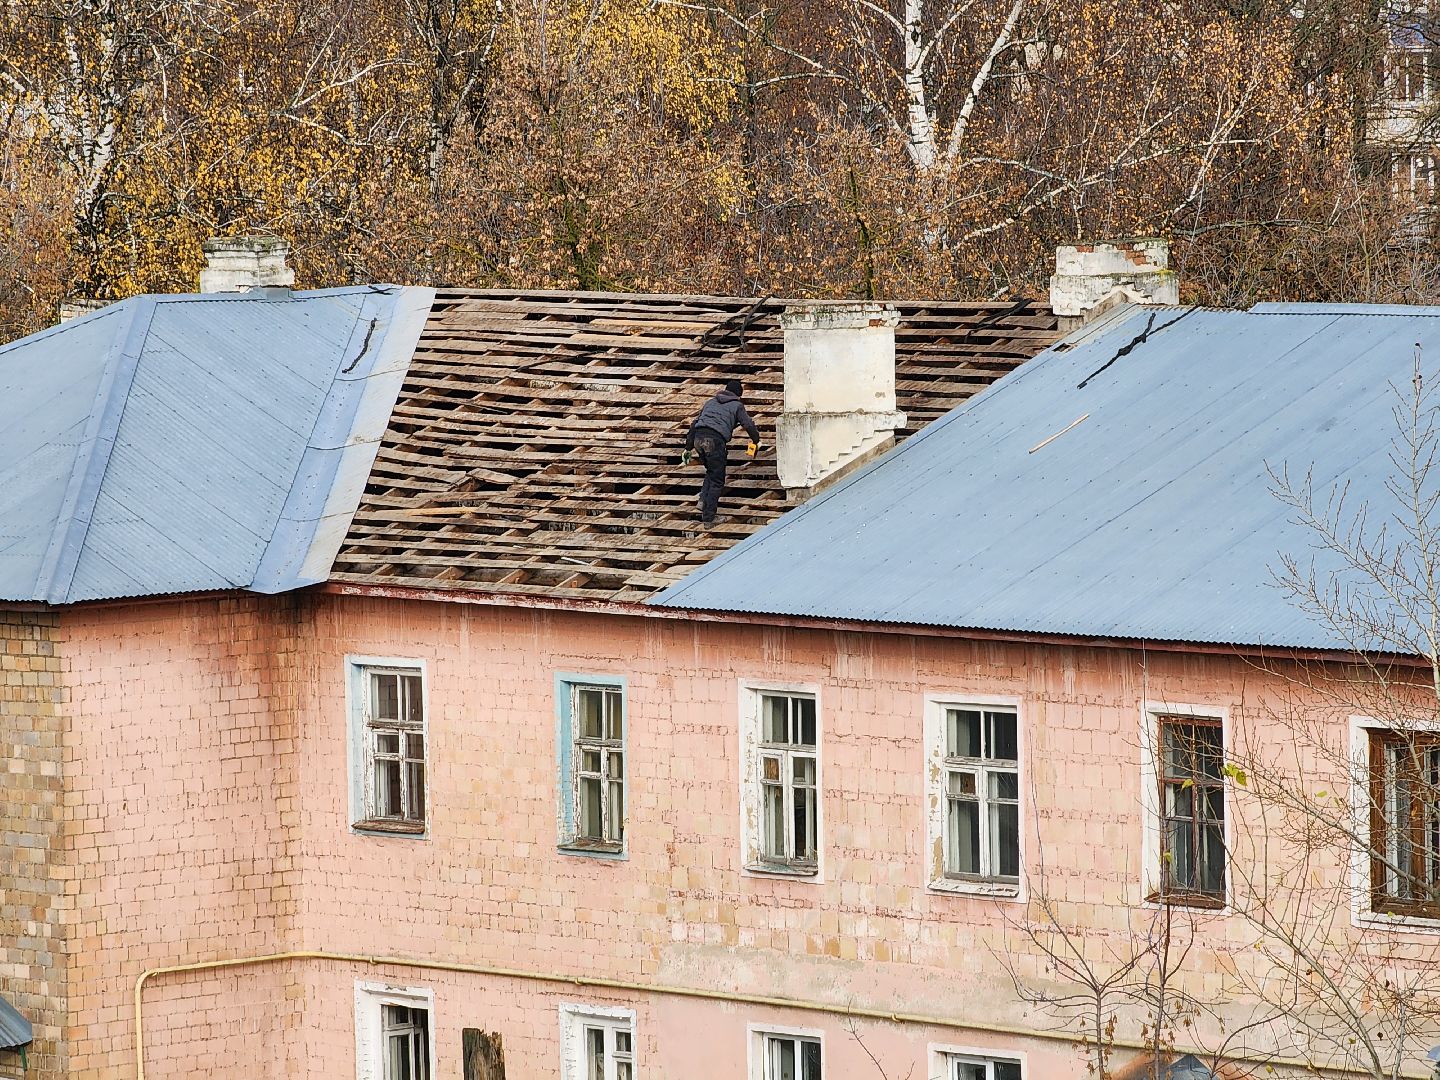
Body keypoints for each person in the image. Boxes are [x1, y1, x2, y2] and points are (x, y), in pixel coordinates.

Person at [682, 379, 761, 524]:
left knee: (712, 471)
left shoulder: (710, 402)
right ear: (738, 395)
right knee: (718, 481)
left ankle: (702, 502)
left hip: (698, 439)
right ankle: (708, 518)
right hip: (714, 441)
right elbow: (748, 424)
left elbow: (695, 424)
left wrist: (688, 448)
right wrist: (756, 440)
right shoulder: (737, 405)